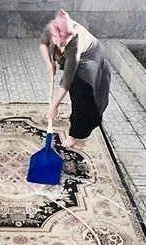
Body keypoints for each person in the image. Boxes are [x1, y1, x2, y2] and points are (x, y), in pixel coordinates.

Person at [39, 10, 111, 148]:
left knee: (80, 91)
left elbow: (66, 81)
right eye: (57, 42)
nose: (60, 45)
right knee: (75, 90)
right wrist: (49, 63)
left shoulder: (74, 43)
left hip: (90, 57)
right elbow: (43, 45)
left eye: (63, 42)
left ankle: (75, 135)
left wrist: (54, 107)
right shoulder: (50, 28)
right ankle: (74, 112)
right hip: (78, 57)